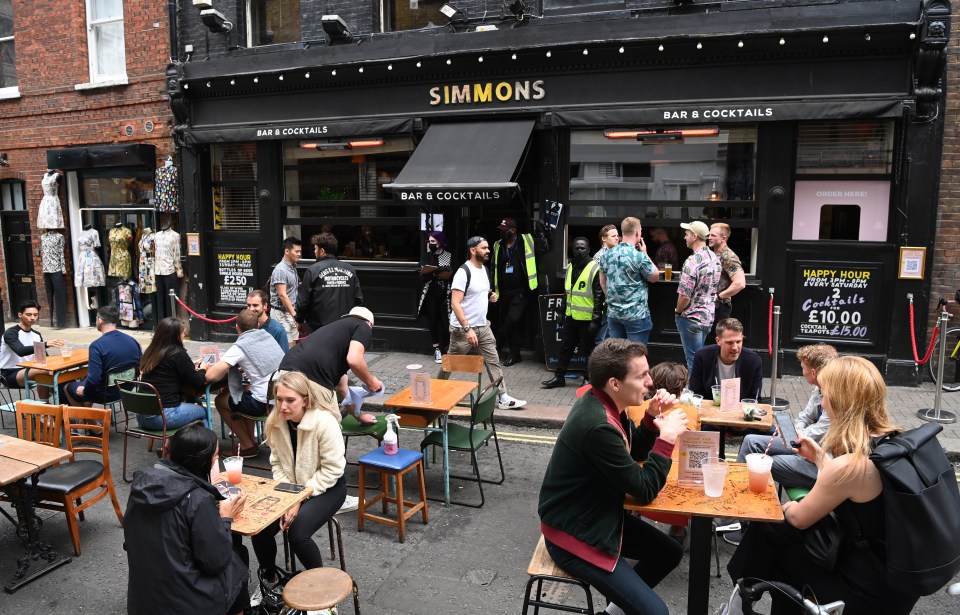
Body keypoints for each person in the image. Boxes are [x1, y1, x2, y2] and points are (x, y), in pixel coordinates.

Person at [728, 356, 922, 615]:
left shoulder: (851, 464)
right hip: (897, 580)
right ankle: (743, 590)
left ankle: (741, 594)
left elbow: (799, 518)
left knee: (774, 536)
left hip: (868, 590)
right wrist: (819, 457)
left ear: (841, 402)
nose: (822, 400)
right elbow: (851, 486)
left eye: (826, 394)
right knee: (774, 537)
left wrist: (786, 505)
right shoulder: (892, 441)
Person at [538, 339, 689, 615]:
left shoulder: (605, 403)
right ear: (615, 383)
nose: (651, 382)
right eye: (642, 375)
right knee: (656, 613)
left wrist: (650, 418)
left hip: (597, 514)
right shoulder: (598, 425)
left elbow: (632, 453)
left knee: (670, 553)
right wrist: (666, 440)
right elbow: (644, 489)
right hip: (575, 531)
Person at [125, 424, 249, 615]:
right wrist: (226, 518)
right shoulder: (196, 499)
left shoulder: (141, 487)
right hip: (187, 604)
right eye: (216, 457)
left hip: (143, 599)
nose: (217, 461)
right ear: (203, 462)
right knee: (237, 558)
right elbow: (215, 561)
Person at [724, 343, 839, 546]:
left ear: (813, 371)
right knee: (751, 441)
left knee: (765, 462)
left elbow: (816, 435)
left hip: (822, 464)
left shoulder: (836, 396)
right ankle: (734, 508)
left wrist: (799, 434)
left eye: (803, 368)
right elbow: (803, 419)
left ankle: (747, 526)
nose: (802, 372)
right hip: (803, 445)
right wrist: (798, 432)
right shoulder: (819, 389)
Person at [252, 371, 347, 584]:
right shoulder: (276, 421)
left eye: (290, 400)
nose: (283, 406)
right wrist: (290, 496)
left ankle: (322, 594)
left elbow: (333, 469)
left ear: (305, 400)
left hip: (328, 487)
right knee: (259, 528)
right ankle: (270, 580)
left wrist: (299, 499)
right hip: (292, 488)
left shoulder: (324, 422)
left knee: (297, 534)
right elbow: (276, 463)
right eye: (279, 400)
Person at [448, 236, 527, 410]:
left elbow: (478, 292)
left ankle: (503, 398)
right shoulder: (463, 272)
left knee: (493, 361)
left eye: (488, 248)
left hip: (483, 327)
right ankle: (435, 391)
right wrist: (468, 329)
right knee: (450, 363)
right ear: (473, 250)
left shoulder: (484, 269)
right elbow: (455, 303)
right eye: (484, 248)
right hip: (463, 330)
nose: (488, 251)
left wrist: (490, 295)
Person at [279, 306, 383, 426]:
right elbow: (355, 360)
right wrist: (371, 383)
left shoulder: (334, 336)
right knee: (330, 429)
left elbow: (342, 389)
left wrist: (360, 417)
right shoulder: (363, 326)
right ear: (370, 324)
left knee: (298, 425)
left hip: (285, 371)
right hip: (313, 376)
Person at [205, 309, 285, 458]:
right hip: (280, 398)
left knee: (221, 400)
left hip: (262, 404)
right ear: (258, 325)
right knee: (245, 391)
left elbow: (210, 376)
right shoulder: (267, 336)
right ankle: (251, 443)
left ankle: (247, 444)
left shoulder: (240, 346)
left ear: (237, 327)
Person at [542, 237, 604, 389]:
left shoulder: (595, 268)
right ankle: (559, 377)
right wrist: (562, 314)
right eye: (576, 248)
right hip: (571, 316)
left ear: (589, 250)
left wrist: (596, 320)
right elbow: (567, 293)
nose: (579, 250)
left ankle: (588, 379)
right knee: (566, 348)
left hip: (587, 319)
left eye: (583, 248)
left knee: (589, 351)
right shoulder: (570, 267)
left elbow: (599, 296)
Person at [138, 317, 211, 431]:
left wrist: (189, 365)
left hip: (141, 416)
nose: (184, 335)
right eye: (182, 333)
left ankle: (169, 445)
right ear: (176, 336)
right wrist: (203, 369)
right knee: (204, 412)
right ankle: (208, 447)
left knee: (187, 404)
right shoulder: (177, 353)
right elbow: (197, 381)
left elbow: (166, 371)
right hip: (162, 417)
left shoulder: (151, 351)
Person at [62, 306, 142, 406]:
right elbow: (140, 366)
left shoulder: (97, 346)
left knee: (68, 387)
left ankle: (88, 420)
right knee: (87, 382)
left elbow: (94, 380)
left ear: (99, 320)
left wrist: (85, 392)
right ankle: (87, 419)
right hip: (127, 389)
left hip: (105, 393)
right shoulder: (132, 341)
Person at [598, 217, 660, 344]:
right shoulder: (638, 256)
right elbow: (654, 277)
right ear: (637, 233)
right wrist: (645, 253)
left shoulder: (606, 255)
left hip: (614, 314)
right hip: (636, 316)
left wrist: (611, 301)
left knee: (617, 355)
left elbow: (602, 282)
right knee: (635, 356)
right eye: (641, 231)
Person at [491, 217, 540, 366]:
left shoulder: (525, 241)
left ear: (514, 230)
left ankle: (496, 344)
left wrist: (543, 231)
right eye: (501, 230)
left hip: (521, 290)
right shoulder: (498, 245)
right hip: (504, 291)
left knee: (512, 319)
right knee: (512, 324)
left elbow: (544, 247)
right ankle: (515, 353)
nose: (503, 233)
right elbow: (494, 266)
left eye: (505, 230)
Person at [674, 221, 721, 373]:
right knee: (702, 360)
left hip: (691, 317)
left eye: (686, 234)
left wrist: (678, 311)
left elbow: (685, 296)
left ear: (694, 237)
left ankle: (696, 393)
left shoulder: (692, 261)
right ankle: (703, 391)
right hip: (708, 316)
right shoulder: (714, 258)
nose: (684, 237)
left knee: (693, 361)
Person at [295, 232, 363, 332]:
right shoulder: (350, 269)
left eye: (315, 249)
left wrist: (299, 320)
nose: (314, 252)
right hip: (345, 327)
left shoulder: (313, 270)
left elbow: (303, 302)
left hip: (320, 329)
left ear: (322, 251)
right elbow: (358, 300)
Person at [688, 318, 763, 400]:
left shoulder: (753, 361)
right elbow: (696, 394)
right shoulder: (702, 357)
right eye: (729, 342)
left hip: (740, 410)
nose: (735, 347)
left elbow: (754, 399)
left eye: (738, 342)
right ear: (718, 341)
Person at [0, 300, 65, 390]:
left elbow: (43, 358)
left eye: (35, 315)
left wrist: (59, 360)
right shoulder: (11, 333)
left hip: (30, 369)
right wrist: (45, 344)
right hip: (9, 373)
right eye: (28, 315)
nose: (32, 318)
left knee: (55, 370)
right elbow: (20, 351)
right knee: (44, 371)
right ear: (20, 315)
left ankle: (46, 401)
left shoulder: (36, 335)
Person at [418, 230, 453, 364]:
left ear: (440, 242)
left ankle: (445, 347)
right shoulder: (427, 256)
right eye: (429, 241)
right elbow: (422, 274)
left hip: (445, 295)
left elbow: (452, 271)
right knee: (432, 322)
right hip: (430, 295)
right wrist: (435, 272)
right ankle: (436, 348)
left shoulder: (448, 256)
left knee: (445, 322)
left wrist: (437, 272)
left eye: (433, 241)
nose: (430, 244)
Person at [708, 223, 745, 337]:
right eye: (709, 234)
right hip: (710, 307)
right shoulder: (713, 253)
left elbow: (740, 283)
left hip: (720, 308)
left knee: (717, 343)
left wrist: (718, 296)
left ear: (723, 238)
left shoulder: (728, 256)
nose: (709, 237)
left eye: (713, 235)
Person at [269, 236, 301, 347]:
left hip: (290, 311)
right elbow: (282, 295)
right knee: (286, 346)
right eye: (296, 251)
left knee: (293, 344)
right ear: (287, 251)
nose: (299, 254)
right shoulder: (281, 270)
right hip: (280, 312)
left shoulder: (292, 267)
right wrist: (295, 315)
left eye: (300, 251)